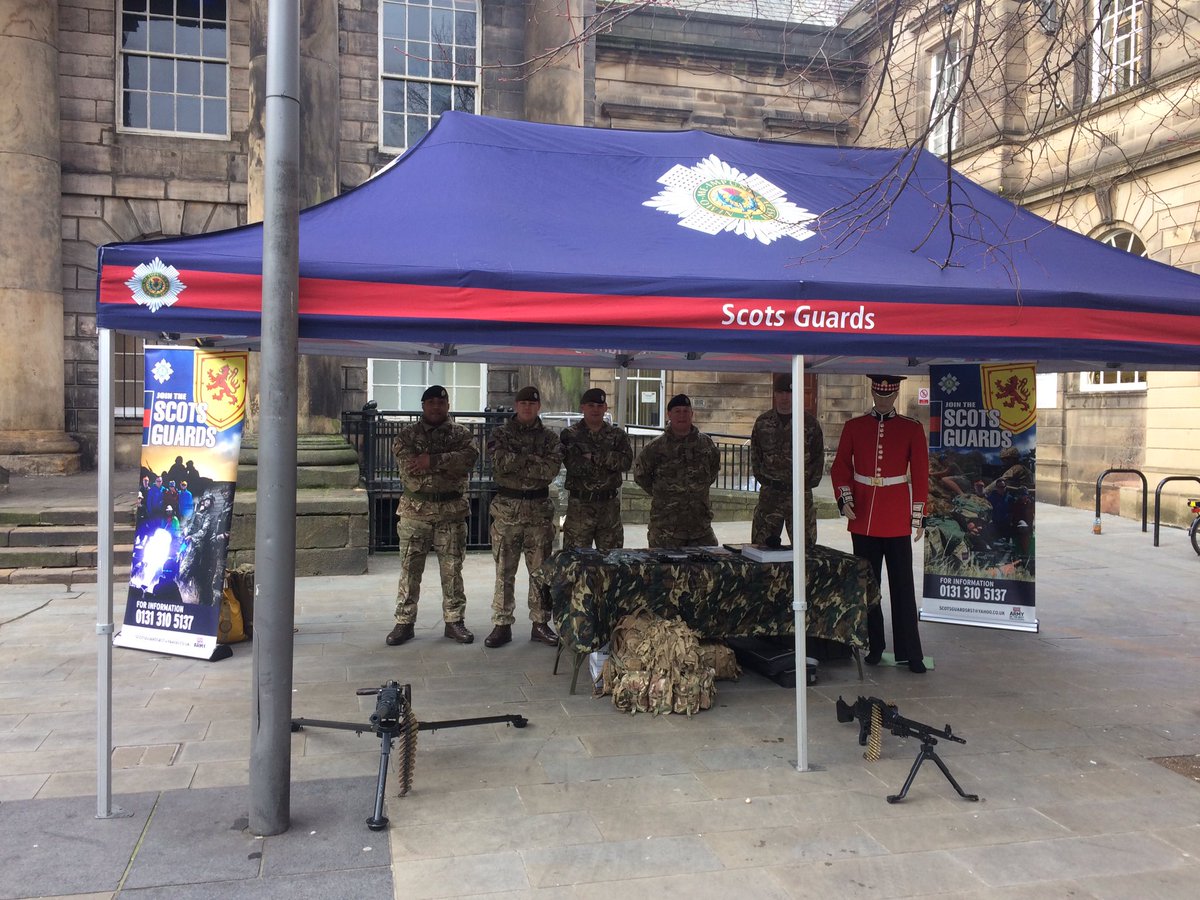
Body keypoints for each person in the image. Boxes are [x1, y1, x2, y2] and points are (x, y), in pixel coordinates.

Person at [830, 374, 930, 674]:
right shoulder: (854, 427)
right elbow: (840, 468)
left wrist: (919, 513)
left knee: (902, 587)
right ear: (873, 393)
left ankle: (910, 651)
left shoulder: (911, 428)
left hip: (896, 516)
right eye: (879, 394)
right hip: (863, 519)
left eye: (888, 395)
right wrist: (844, 498)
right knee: (867, 588)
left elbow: (922, 472)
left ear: (895, 395)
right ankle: (873, 644)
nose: (883, 399)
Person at [386, 385, 479, 647]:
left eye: (441, 402)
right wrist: (448, 465)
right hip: (415, 512)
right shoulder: (407, 435)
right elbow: (409, 468)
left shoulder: (461, 434)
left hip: (451, 512)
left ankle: (454, 621)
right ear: (423, 405)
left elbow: (469, 459)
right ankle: (404, 622)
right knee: (409, 570)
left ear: (448, 406)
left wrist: (432, 461)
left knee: (452, 570)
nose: (436, 406)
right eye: (431, 402)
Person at [484, 386, 563, 648]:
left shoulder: (550, 438)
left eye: (532, 403)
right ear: (516, 405)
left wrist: (518, 460)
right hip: (507, 510)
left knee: (540, 572)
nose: (527, 407)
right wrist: (533, 459)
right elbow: (498, 463)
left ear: (538, 407)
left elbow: (550, 470)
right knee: (504, 571)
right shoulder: (500, 433)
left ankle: (540, 623)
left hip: (538, 512)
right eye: (523, 403)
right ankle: (501, 624)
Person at [633, 393, 721, 547]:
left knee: (708, 569)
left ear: (692, 414)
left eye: (686, 411)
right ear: (669, 414)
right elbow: (641, 475)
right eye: (677, 411)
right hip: (665, 529)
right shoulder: (656, 447)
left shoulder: (706, 444)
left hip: (700, 529)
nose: (682, 415)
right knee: (665, 570)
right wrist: (663, 493)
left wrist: (695, 489)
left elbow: (713, 469)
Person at [750, 373, 825, 548]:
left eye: (790, 393)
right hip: (770, 496)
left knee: (805, 550)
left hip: (799, 496)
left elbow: (817, 457)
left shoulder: (809, 423)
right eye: (781, 392)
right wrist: (768, 481)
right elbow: (756, 456)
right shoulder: (762, 423)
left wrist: (805, 484)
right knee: (762, 548)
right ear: (775, 394)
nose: (785, 397)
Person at [560, 387, 634, 552]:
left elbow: (626, 463)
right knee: (576, 563)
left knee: (612, 562)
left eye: (599, 406)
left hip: (609, 508)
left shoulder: (617, 435)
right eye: (591, 405)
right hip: (580, 507)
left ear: (605, 408)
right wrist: (609, 460)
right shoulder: (570, 435)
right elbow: (574, 466)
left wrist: (594, 456)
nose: (595, 409)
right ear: (582, 407)